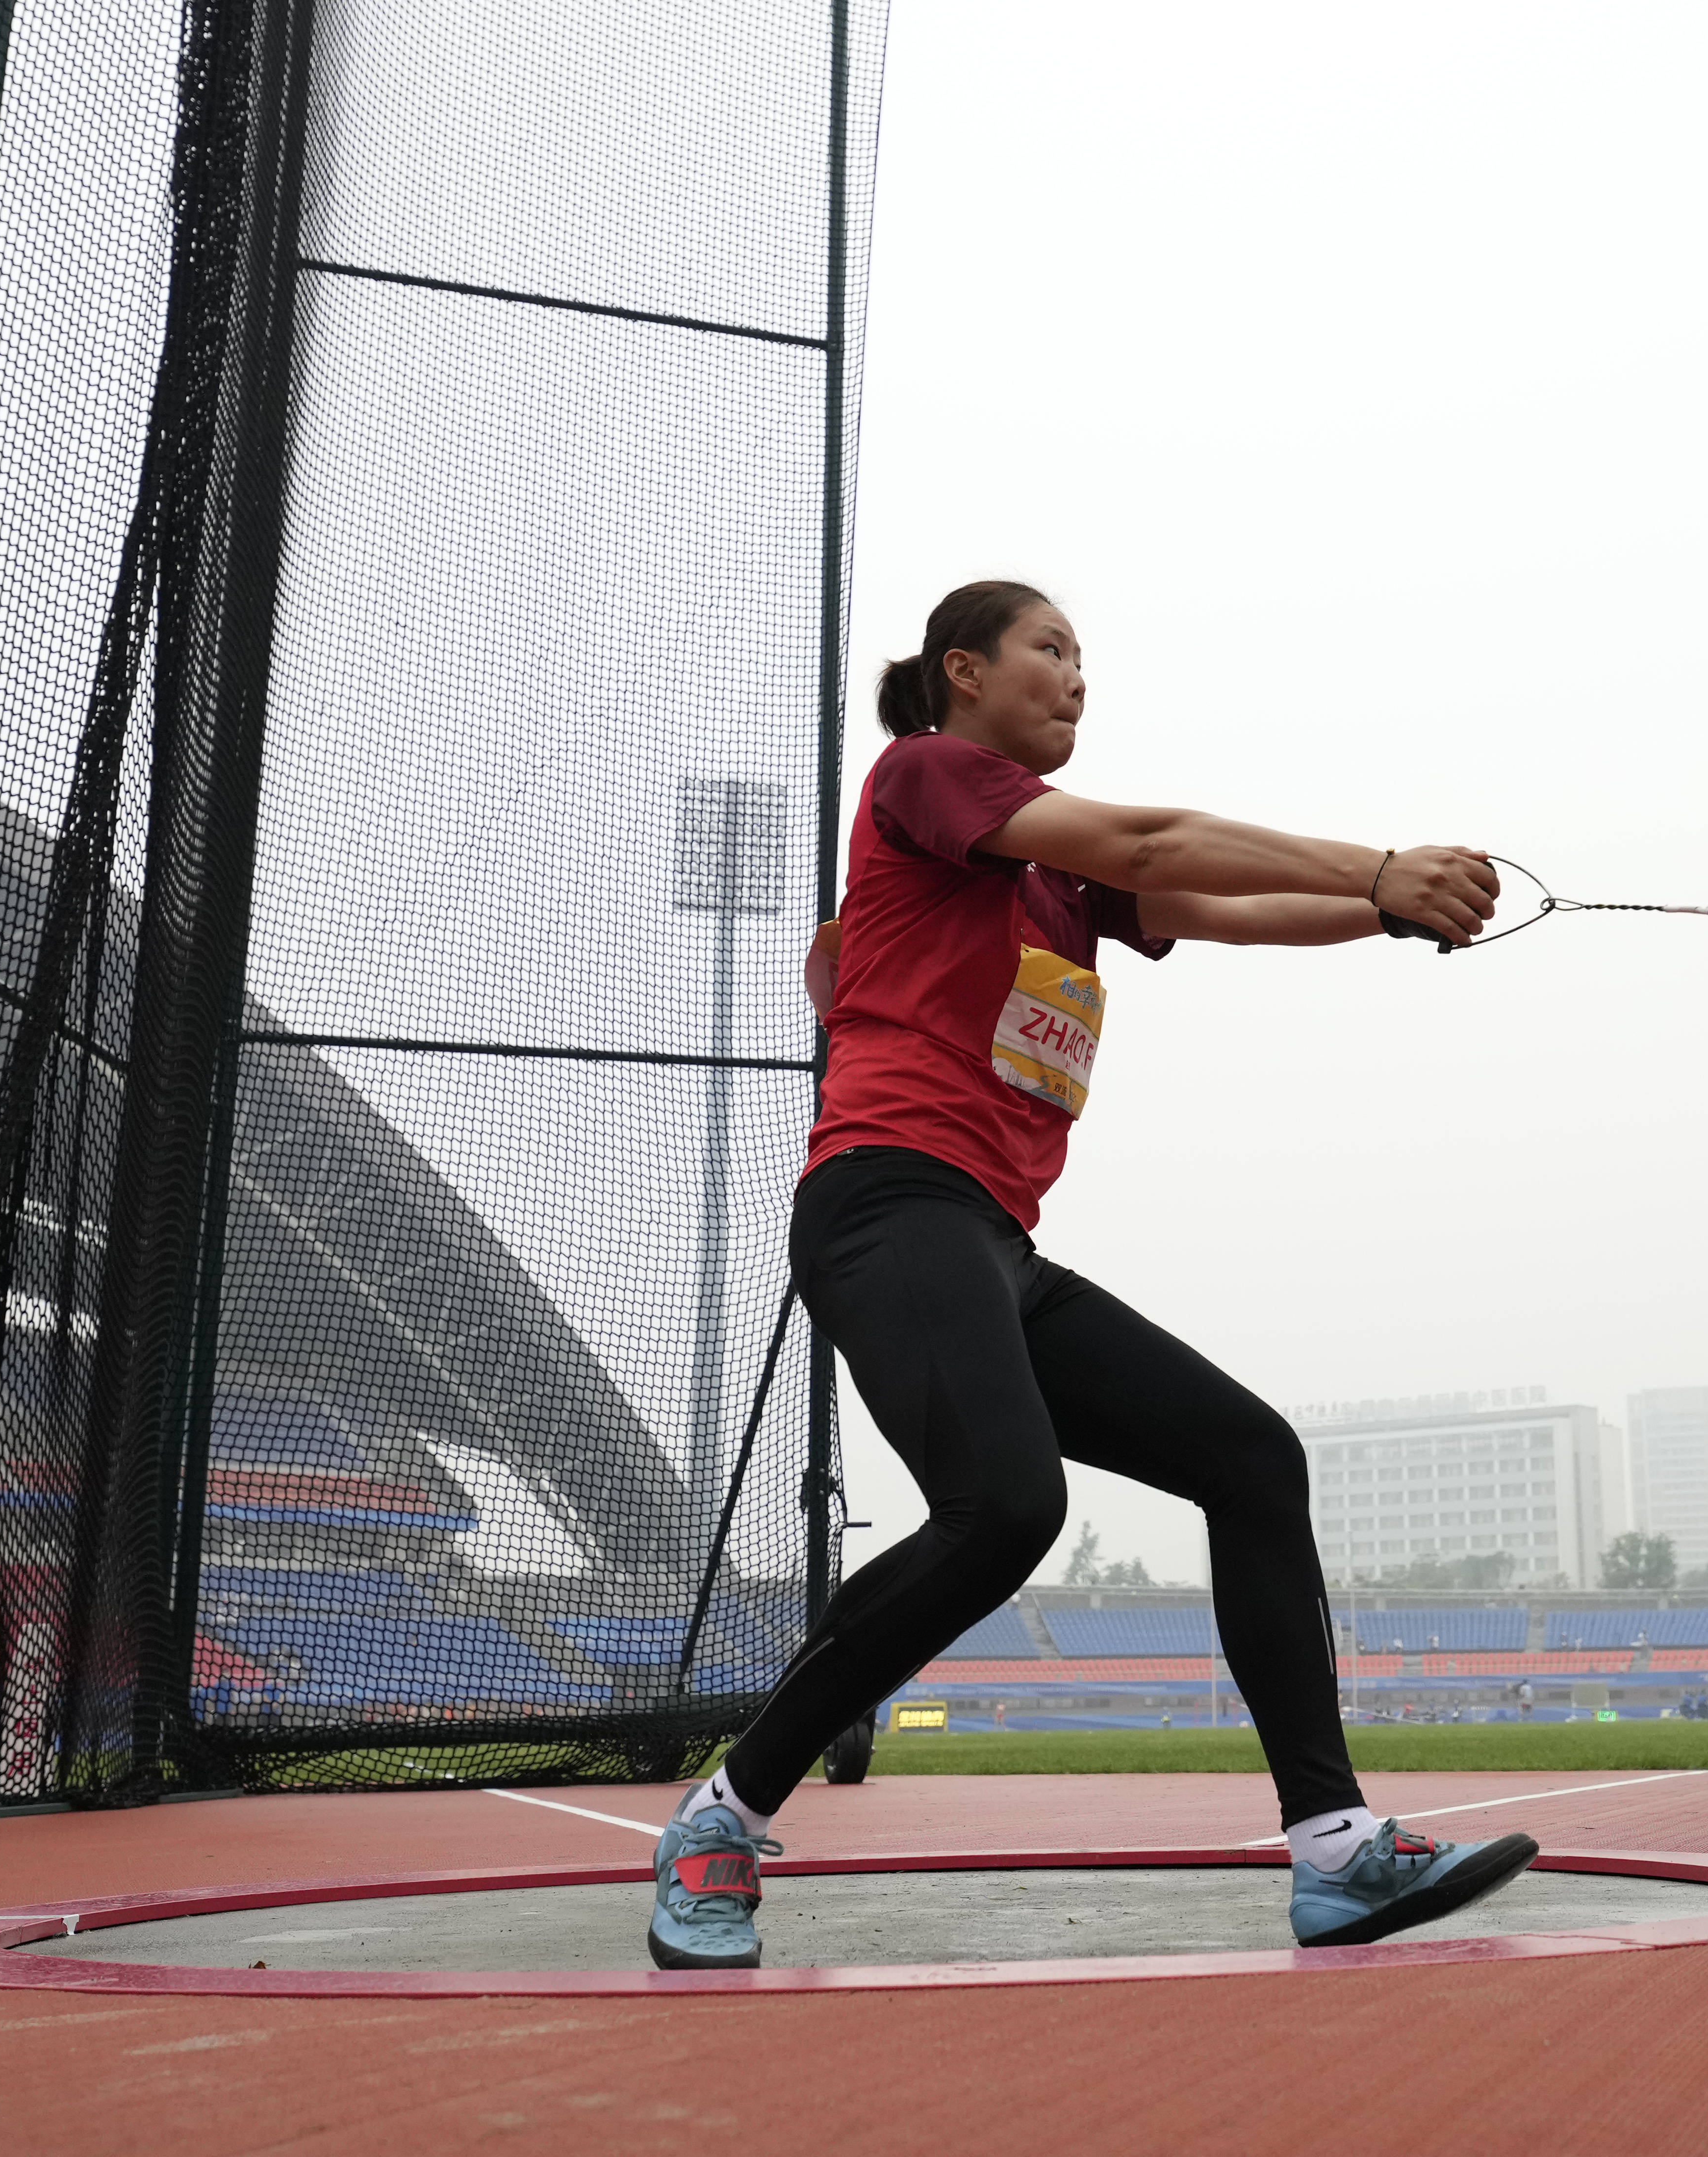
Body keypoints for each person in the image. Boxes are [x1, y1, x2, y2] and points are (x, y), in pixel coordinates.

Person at [647, 582, 1538, 1970]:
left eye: (1084, 659)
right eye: (1049, 652)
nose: (1075, 679)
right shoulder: (928, 775)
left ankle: (1335, 1853)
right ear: (963, 673)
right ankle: (723, 1812)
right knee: (1006, 1510)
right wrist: (1379, 866)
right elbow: (1158, 831)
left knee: (1250, 1456)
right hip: (889, 1203)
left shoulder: (1055, 877)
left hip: (998, 1244)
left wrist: (1389, 915)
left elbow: (1211, 898)